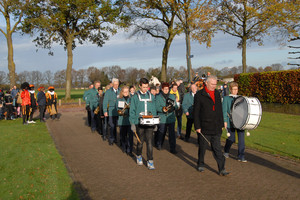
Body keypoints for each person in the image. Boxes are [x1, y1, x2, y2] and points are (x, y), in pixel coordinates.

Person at [193, 75, 229, 176]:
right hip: (204, 127)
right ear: (207, 83)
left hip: (216, 126)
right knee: (202, 147)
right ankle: (200, 164)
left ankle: (222, 168)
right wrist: (197, 126)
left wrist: (221, 123)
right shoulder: (199, 95)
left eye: (215, 84)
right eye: (212, 84)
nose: (215, 86)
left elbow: (219, 110)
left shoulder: (217, 93)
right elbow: (196, 112)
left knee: (217, 148)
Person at [129, 78, 157, 169]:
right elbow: (132, 111)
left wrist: (155, 123)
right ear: (140, 86)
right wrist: (132, 123)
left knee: (149, 142)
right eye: (143, 87)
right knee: (140, 142)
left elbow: (154, 110)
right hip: (139, 123)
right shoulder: (135, 97)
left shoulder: (151, 96)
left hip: (149, 123)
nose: (145, 89)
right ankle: (139, 155)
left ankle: (150, 161)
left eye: (147, 87)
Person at [223, 82, 247, 162]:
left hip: (240, 122)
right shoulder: (226, 98)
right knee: (231, 138)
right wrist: (225, 121)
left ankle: (241, 156)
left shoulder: (242, 98)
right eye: (234, 89)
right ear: (230, 90)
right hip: (230, 122)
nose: (235, 91)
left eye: (236, 89)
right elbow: (224, 111)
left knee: (241, 139)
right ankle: (226, 151)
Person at [156, 82, 178, 154]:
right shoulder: (158, 97)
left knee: (172, 134)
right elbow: (157, 107)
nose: (166, 90)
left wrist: (174, 108)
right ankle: (159, 144)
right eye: (165, 89)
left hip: (170, 117)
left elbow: (176, 105)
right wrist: (162, 109)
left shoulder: (172, 96)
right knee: (162, 132)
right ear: (162, 89)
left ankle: (173, 148)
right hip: (162, 117)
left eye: (167, 89)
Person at [103, 78, 120, 145]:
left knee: (117, 126)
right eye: (115, 84)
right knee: (112, 126)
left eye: (117, 84)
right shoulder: (108, 92)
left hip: (119, 111)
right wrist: (105, 111)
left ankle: (117, 139)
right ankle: (111, 139)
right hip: (111, 111)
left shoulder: (121, 91)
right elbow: (105, 102)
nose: (116, 86)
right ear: (112, 84)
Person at [117, 86, 134, 157]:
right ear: (122, 92)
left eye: (127, 91)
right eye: (124, 91)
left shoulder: (131, 99)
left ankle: (129, 150)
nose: (126, 93)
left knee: (130, 136)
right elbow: (118, 109)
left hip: (129, 120)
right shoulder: (119, 99)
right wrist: (122, 112)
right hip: (122, 120)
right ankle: (124, 146)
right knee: (123, 135)